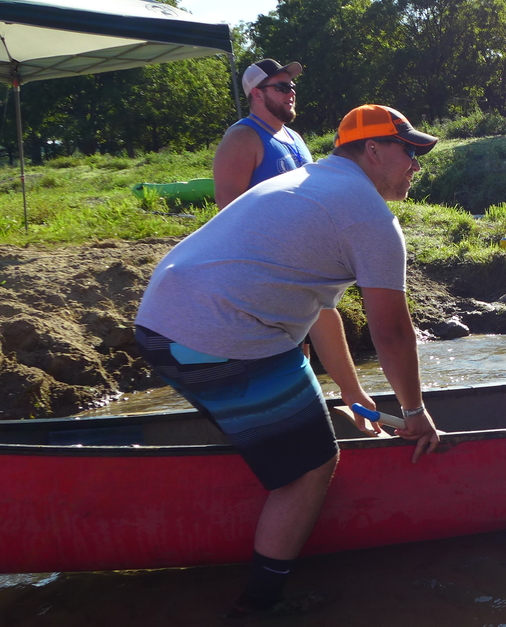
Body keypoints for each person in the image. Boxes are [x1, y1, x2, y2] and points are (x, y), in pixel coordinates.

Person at [134, 104, 440, 618]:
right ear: (372, 149)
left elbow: (322, 312)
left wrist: (351, 391)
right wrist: (414, 413)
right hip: (218, 334)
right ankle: (259, 605)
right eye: (408, 150)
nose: (416, 164)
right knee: (312, 466)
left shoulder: (311, 181)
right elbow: (391, 331)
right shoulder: (370, 217)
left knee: (293, 416)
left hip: (159, 326)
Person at [213, 58, 312, 209]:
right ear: (257, 94)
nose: (291, 93)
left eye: (292, 86)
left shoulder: (294, 136)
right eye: (282, 87)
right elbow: (229, 209)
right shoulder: (242, 137)